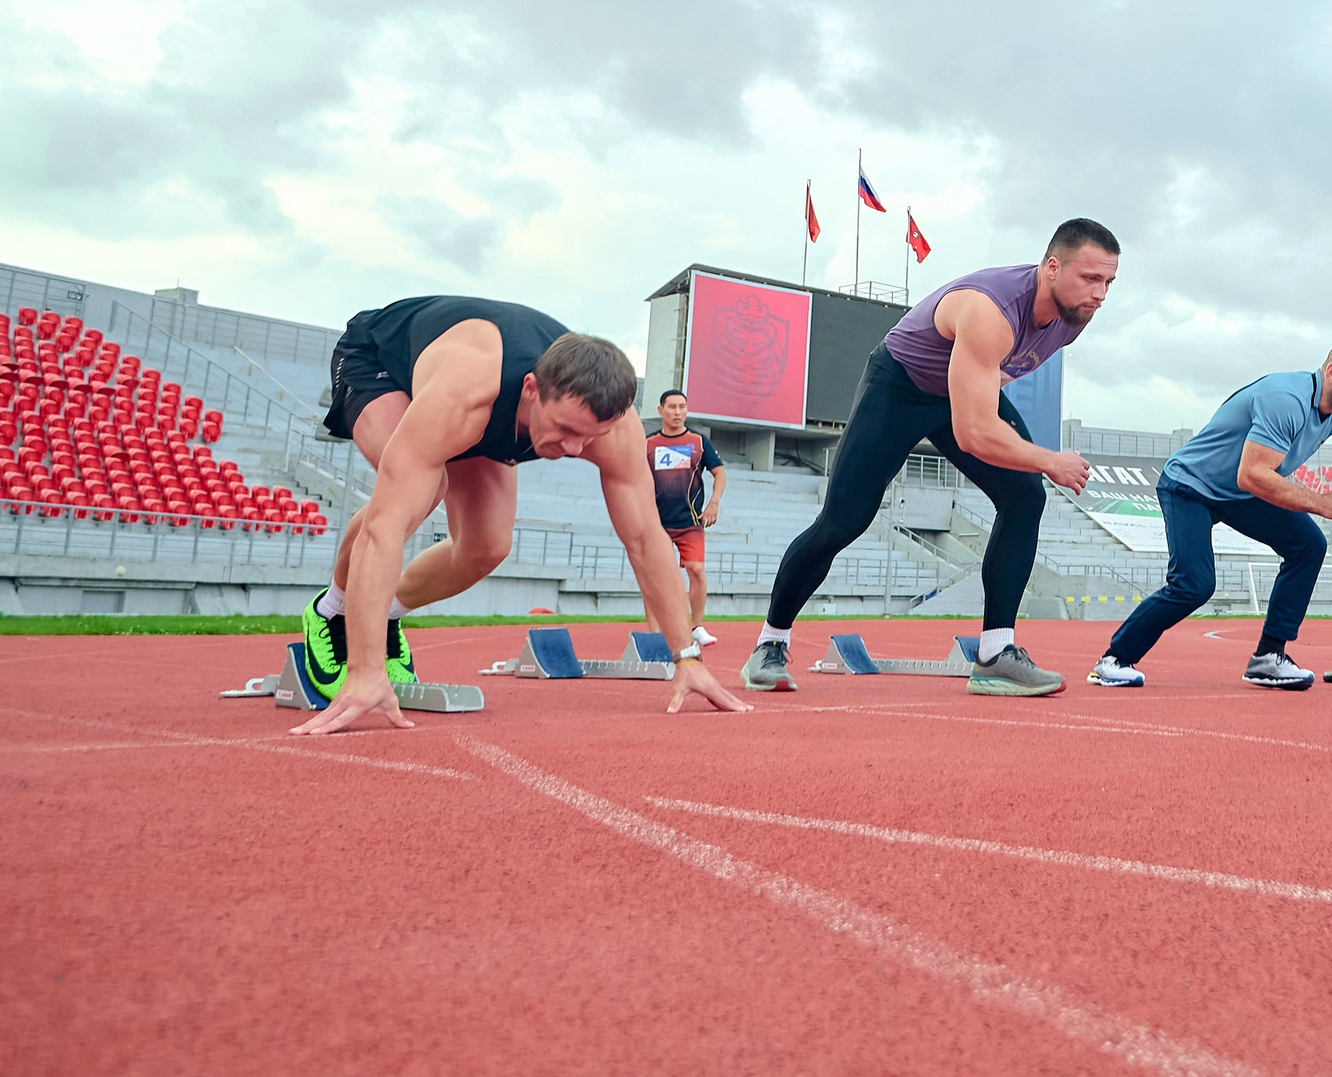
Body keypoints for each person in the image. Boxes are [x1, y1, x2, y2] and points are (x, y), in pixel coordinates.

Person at [291, 296, 751, 735]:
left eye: (589, 439)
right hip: (381, 360)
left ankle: (384, 614)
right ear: (531, 390)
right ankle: (332, 611)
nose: (574, 449)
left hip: (489, 406)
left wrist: (687, 658)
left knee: (486, 547)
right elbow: (385, 527)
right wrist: (367, 672)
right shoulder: (465, 394)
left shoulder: (616, 430)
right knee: (419, 491)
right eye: (567, 431)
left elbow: (646, 539)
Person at [742, 220, 1119, 698]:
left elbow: (991, 385)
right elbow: (975, 432)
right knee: (844, 519)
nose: (1100, 293)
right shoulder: (991, 309)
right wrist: (1048, 458)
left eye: (1108, 282)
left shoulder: (1071, 321)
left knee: (1024, 496)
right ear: (1051, 267)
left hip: (957, 389)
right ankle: (769, 644)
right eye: (1090, 278)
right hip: (899, 386)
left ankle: (996, 655)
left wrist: (986, 393)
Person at [1089, 340, 1332, 691]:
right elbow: (1254, 474)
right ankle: (1113, 660)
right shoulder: (1285, 400)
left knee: (1308, 543)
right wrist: (1322, 503)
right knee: (1194, 584)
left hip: (1238, 492)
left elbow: (1267, 470)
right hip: (1191, 485)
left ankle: (1268, 658)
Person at [647, 389, 726, 647]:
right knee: (655, 576)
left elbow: (720, 474)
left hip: (690, 521)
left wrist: (714, 503)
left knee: (696, 570)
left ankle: (697, 627)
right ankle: (654, 633)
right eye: (672, 407)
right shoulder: (647, 443)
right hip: (656, 522)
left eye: (682, 407)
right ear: (661, 411)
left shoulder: (698, 441)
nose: (677, 412)